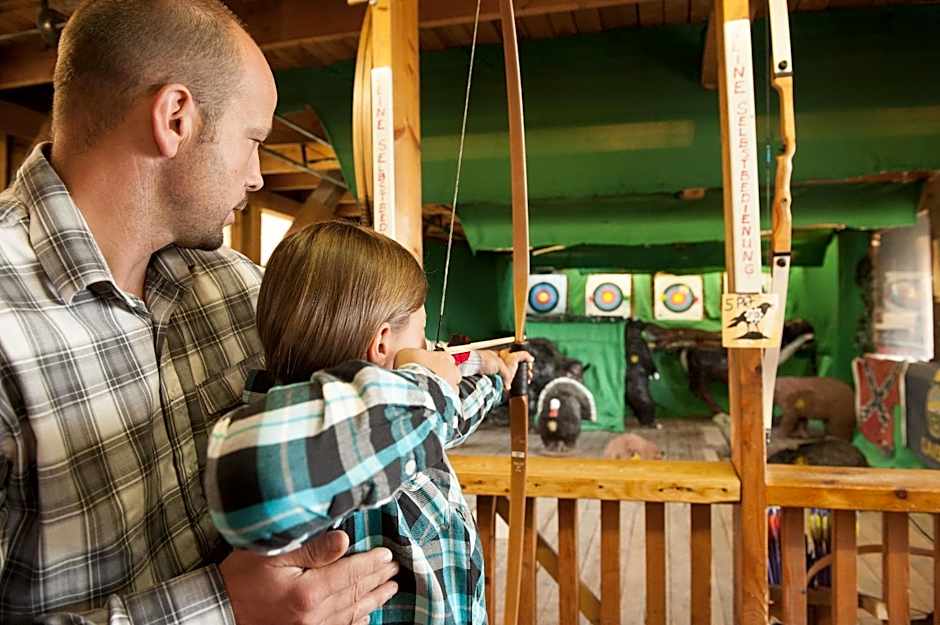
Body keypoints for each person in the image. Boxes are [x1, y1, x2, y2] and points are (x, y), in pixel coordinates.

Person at [0, 1, 444, 623]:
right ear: (175, 117)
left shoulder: (240, 289)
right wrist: (221, 609)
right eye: (254, 139)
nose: (260, 176)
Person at [205, 221, 532, 625]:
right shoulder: (332, 449)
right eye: (422, 330)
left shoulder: (408, 425)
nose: (429, 346)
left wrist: (499, 377)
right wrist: (426, 384)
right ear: (382, 343)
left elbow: (448, 416)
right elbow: (255, 472)